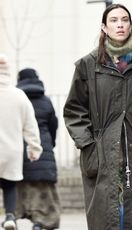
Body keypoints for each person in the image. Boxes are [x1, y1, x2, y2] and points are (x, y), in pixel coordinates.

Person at [63, 4, 132, 230]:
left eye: (124, 19)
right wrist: (89, 146)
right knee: (106, 217)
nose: (120, 24)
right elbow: (74, 110)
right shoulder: (87, 66)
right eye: (113, 20)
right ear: (104, 27)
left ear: (131, 25)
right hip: (101, 154)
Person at [0, 54, 42, 230]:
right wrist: (34, 147)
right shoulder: (19, 95)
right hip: (12, 151)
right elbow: (30, 125)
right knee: (9, 185)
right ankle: (10, 216)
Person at [15, 68, 61, 230]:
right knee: (44, 190)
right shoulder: (46, 101)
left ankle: (17, 216)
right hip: (43, 147)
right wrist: (51, 145)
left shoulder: (17, 101)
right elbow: (53, 126)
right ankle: (40, 222)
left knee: (23, 186)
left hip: (21, 149)